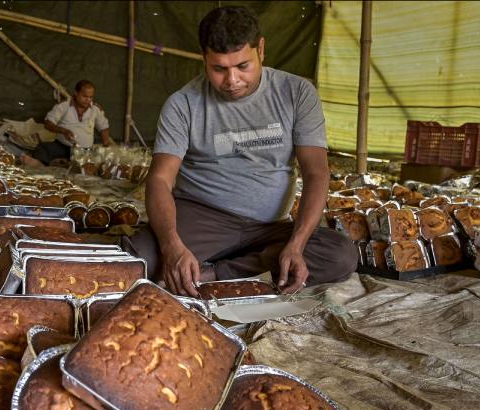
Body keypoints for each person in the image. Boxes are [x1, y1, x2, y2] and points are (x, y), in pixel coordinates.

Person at [122, 6, 358, 297]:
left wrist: (296, 246)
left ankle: (217, 273)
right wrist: (172, 245)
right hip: (202, 217)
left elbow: (316, 172)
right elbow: (160, 180)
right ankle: (226, 265)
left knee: (339, 254)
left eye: (242, 66)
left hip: (271, 226)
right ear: (204, 58)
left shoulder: (296, 93)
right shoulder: (183, 104)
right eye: (218, 69)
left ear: (261, 49)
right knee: (135, 260)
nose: (232, 80)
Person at [20, 80, 113, 167]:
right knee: (43, 148)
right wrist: (63, 131)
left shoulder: (95, 109)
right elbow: (48, 123)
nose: (88, 100)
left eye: (91, 97)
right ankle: (39, 164)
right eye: (84, 96)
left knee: (98, 158)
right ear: (76, 93)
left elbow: (103, 127)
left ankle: (68, 162)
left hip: (85, 151)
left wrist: (105, 145)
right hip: (63, 147)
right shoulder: (63, 106)